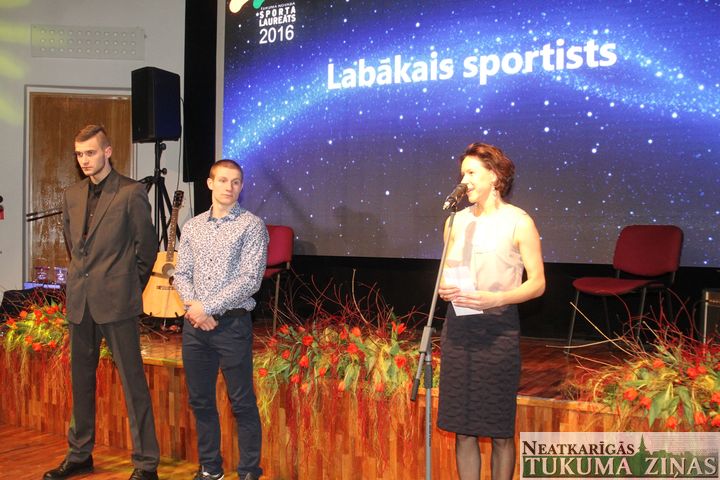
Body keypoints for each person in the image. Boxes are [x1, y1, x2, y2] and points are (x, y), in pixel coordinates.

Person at [44, 125, 160, 480]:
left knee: (133, 384)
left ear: (107, 152)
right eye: (79, 154)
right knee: (81, 383)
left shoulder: (130, 192)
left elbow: (147, 249)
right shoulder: (72, 194)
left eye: (90, 153)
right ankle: (80, 454)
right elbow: (75, 248)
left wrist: (128, 288)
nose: (84, 160)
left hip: (118, 303)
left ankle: (146, 464)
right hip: (81, 303)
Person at [437, 143, 545, 480]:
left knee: (499, 431)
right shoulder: (455, 222)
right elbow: (448, 270)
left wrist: (494, 299)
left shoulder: (519, 222)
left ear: (494, 176)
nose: (464, 181)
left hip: (498, 330)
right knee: (463, 429)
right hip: (459, 329)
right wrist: (446, 287)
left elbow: (538, 284)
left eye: (471, 172)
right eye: (462, 174)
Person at [174, 159, 268, 480]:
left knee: (241, 402)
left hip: (232, 326)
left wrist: (207, 308)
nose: (230, 187)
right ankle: (210, 469)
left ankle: (249, 472)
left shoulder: (252, 226)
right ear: (210, 183)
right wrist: (196, 310)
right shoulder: (192, 226)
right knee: (201, 402)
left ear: (241, 186)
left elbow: (249, 280)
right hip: (195, 327)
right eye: (224, 180)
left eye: (236, 182)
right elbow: (181, 274)